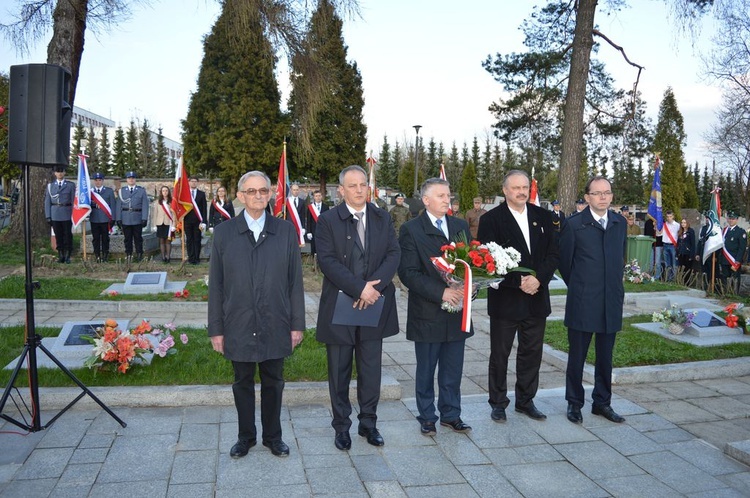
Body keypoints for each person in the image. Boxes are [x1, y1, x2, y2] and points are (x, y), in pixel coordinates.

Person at [208, 170, 305, 459]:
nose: (258, 196)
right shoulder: (224, 233)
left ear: (271, 194)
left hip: (276, 320)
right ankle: (245, 437)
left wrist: (296, 324)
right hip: (238, 322)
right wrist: (216, 328)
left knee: (274, 381)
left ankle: (273, 437)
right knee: (242, 382)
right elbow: (217, 284)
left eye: (263, 190)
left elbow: (294, 282)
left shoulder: (285, 231)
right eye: (251, 191)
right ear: (240, 196)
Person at [315, 165, 401, 450]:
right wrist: (359, 287)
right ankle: (342, 427)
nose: (359, 190)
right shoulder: (328, 220)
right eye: (352, 186)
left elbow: (393, 253)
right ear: (341, 190)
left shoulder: (381, 217)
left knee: (370, 369)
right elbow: (326, 261)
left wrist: (373, 289)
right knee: (339, 370)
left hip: (374, 305)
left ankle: (369, 423)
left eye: (363, 184)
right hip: (340, 307)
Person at [477, 170, 559, 422]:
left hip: (536, 296)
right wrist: (519, 281)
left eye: (525, 187)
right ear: (505, 190)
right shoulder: (491, 219)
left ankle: (525, 401)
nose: (522, 192)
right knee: (500, 354)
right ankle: (498, 402)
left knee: (531, 353)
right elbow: (488, 260)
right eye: (516, 188)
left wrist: (538, 279)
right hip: (507, 299)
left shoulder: (545, 217)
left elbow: (554, 253)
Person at [398, 178, 473, 436]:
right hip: (428, 312)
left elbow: (472, 263)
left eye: (448, 195)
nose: (446, 200)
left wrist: (471, 286)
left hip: (457, 312)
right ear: (426, 200)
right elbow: (408, 273)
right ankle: (427, 415)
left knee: (453, 368)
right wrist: (442, 292)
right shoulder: (411, 229)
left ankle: (451, 414)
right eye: (440, 195)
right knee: (427, 368)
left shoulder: (460, 226)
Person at [559, 176, 627, 425]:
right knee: (577, 355)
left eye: (607, 192)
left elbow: (621, 257)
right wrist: (581, 286)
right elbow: (565, 263)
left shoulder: (619, 222)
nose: (603, 197)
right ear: (587, 197)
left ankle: (602, 403)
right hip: (583, 300)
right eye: (597, 193)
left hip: (610, 300)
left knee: (605, 357)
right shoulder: (574, 224)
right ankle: (574, 403)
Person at [116, 171, 149, 263]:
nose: (131, 180)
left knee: (138, 238)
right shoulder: (122, 191)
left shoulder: (141, 190)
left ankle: (139, 254)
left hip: (137, 218)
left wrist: (144, 218)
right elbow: (119, 205)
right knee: (127, 239)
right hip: (125, 218)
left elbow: (145, 205)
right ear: (126, 180)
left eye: (133, 178)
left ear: (135, 179)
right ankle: (128, 254)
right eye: (129, 178)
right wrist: (118, 218)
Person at [44, 164, 75, 263]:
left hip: (67, 212)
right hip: (55, 213)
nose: (60, 173)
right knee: (58, 235)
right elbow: (47, 202)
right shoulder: (50, 186)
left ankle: (68, 255)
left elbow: (74, 200)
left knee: (67, 235)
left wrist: (74, 214)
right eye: (58, 172)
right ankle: (60, 254)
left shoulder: (70, 185)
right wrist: (48, 216)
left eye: (61, 171)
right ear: (55, 173)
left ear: (64, 173)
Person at [89, 172, 116, 262]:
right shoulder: (90, 192)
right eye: (96, 180)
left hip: (105, 219)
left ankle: (105, 255)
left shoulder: (109, 191)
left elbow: (113, 205)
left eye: (99, 180)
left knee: (105, 238)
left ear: (102, 181)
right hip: (94, 219)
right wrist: (94, 205)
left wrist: (113, 219)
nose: (98, 182)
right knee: (96, 239)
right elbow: (87, 204)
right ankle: (97, 255)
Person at [720, 211, 746, 289]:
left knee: (735, 279)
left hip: (734, 260)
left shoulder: (740, 232)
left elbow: (742, 248)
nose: (731, 220)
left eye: (733, 219)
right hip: (724, 259)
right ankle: (725, 294)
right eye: (730, 218)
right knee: (724, 278)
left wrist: (738, 260)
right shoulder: (724, 231)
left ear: (736, 220)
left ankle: (734, 295)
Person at [184, 176, 207, 265]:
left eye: (195, 181)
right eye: (192, 181)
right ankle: (191, 258)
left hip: (198, 221)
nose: (193, 183)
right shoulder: (185, 194)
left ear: (197, 183)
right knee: (189, 240)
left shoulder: (201, 194)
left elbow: (204, 209)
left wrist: (204, 221)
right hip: (187, 220)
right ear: (189, 182)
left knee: (197, 239)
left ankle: (197, 258)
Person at [151, 186, 175, 263]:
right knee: (161, 241)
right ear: (161, 192)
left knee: (168, 241)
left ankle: (168, 256)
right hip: (160, 223)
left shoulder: (172, 201)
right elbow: (155, 214)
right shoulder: (157, 202)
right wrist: (154, 225)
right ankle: (163, 256)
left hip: (169, 223)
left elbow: (174, 214)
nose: (165, 192)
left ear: (168, 192)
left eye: (166, 191)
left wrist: (174, 225)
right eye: (163, 191)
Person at [305, 190, 329, 256]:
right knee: (314, 247)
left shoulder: (326, 207)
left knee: (323, 247)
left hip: (323, 231)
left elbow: (328, 220)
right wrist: (308, 232)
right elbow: (309, 220)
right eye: (316, 196)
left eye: (319, 196)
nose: (318, 197)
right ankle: (314, 263)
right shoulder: (310, 207)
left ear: (321, 196)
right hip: (313, 231)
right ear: (314, 197)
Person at [661, 210, 680, 281]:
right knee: (667, 263)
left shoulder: (677, 225)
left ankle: (674, 279)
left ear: (673, 216)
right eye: (667, 217)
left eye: (670, 216)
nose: (669, 218)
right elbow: (659, 233)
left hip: (673, 246)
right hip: (665, 245)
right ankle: (668, 279)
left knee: (674, 263)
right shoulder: (664, 225)